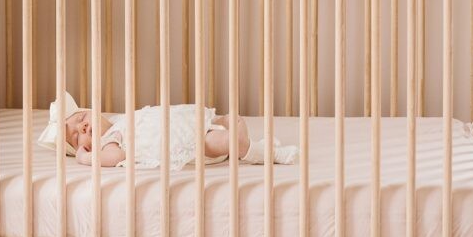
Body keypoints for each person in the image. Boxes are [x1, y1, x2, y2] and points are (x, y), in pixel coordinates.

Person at [38, 92, 299, 170]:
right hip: (184, 144)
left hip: (181, 125)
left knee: (207, 124)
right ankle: (238, 144)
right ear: (84, 147)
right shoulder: (109, 142)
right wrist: (87, 159)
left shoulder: (120, 119)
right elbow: (116, 159)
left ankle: (227, 126)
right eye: (77, 136)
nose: (83, 126)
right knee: (209, 142)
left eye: (82, 118)